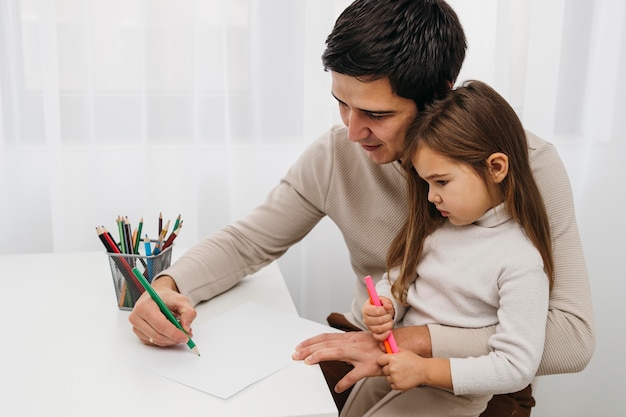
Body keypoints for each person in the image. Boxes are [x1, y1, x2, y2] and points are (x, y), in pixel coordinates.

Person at [129, 0, 595, 415]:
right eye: (341, 104)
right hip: (364, 346)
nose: (353, 132)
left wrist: (411, 344)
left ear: (440, 94)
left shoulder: (524, 166)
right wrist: (167, 286)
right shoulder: (339, 153)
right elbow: (248, 241)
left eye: (377, 114)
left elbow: (573, 339)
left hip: (471, 379)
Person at [340, 80, 552, 417]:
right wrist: (385, 305)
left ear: (496, 168)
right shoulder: (440, 227)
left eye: (441, 182)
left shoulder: (519, 260)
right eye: (426, 183)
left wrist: (425, 371)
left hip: (449, 390)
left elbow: (516, 366)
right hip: (397, 360)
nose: (430, 196)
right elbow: (400, 278)